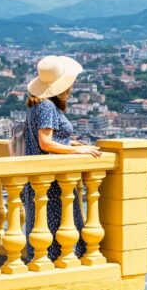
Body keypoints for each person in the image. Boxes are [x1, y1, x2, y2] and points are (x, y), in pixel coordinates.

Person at [21, 55, 101, 263]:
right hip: (52, 180)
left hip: (40, 177)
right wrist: (78, 152)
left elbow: (50, 138)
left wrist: (71, 143)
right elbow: (45, 143)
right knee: (56, 227)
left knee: (44, 226)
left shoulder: (35, 104)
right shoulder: (46, 106)